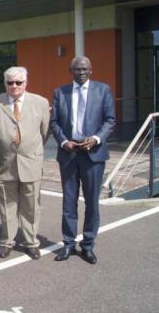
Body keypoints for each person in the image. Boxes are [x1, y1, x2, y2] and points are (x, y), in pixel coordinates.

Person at [50, 56, 115, 264]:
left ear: (91, 70)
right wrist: (63, 142)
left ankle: (87, 245)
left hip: (92, 155)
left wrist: (96, 139)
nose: (81, 72)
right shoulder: (60, 92)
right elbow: (55, 122)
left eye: (84, 69)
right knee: (69, 202)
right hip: (69, 153)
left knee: (91, 203)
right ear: (70, 71)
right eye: (77, 69)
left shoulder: (102, 90)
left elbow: (110, 120)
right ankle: (68, 244)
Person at [0, 67, 50, 260]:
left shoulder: (40, 103)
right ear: (5, 83)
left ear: (26, 83)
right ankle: (7, 240)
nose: (14, 86)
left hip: (30, 162)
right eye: (10, 82)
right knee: (7, 205)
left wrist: (29, 148)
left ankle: (31, 242)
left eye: (18, 82)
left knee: (31, 206)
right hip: (5, 165)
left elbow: (44, 132)